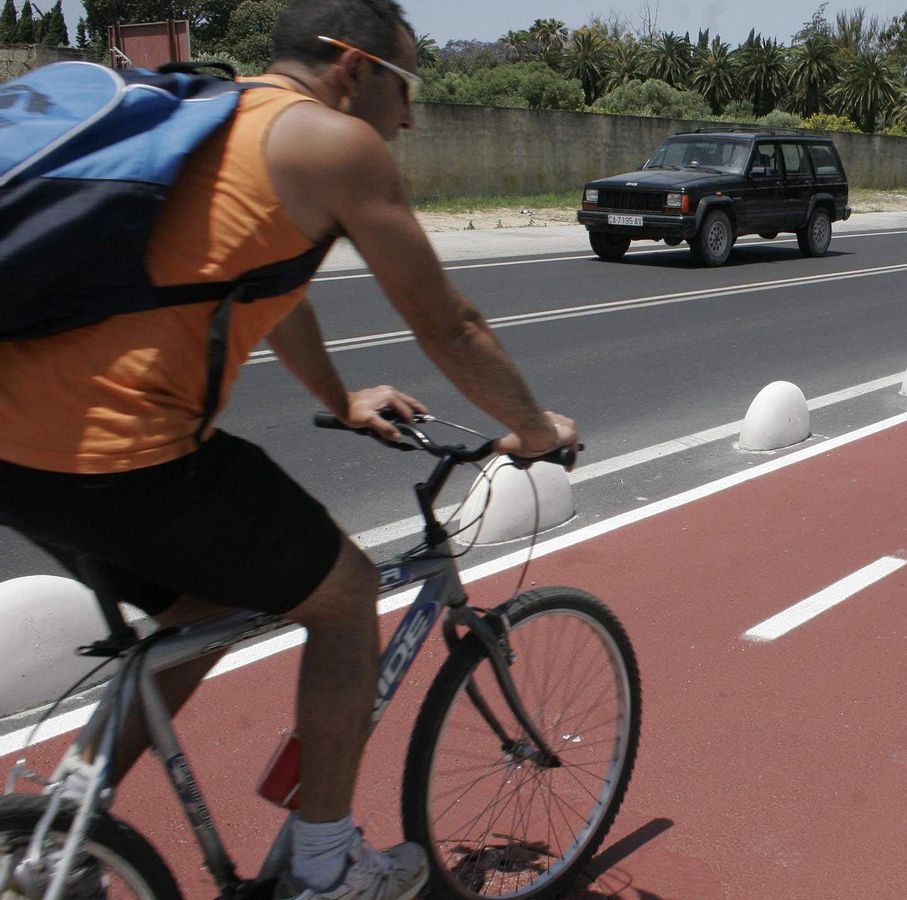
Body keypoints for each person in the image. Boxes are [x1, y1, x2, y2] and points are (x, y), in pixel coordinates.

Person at [0, 1, 576, 897]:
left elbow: (271, 291)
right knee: (344, 600)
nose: (412, 115)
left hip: (16, 455)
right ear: (354, 67)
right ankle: (329, 865)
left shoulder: (218, 122)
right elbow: (450, 325)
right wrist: (537, 430)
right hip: (122, 455)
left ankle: (60, 835)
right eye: (407, 86)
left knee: (195, 612)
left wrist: (341, 399)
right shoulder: (333, 144)